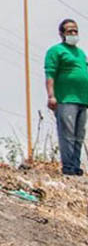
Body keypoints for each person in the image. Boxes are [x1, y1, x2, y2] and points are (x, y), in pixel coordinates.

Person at [45, 18, 87, 176]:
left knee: (79, 135)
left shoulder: (81, 53)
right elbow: (50, 73)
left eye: (75, 31)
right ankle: (68, 167)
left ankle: (75, 166)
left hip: (82, 99)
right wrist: (51, 96)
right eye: (70, 31)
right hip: (65, 98)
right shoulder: (56, 51)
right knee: (67, 134)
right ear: (62, 34)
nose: (73, 33)